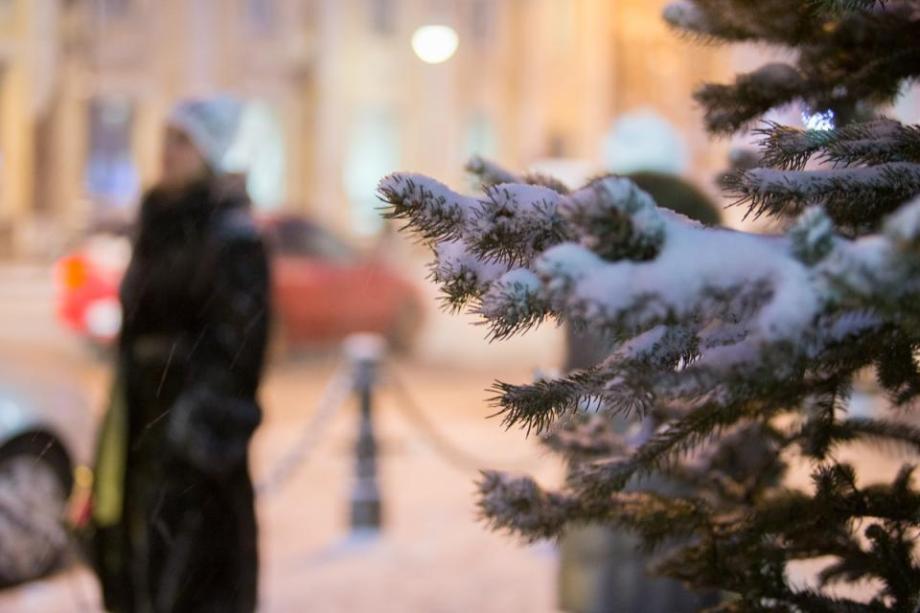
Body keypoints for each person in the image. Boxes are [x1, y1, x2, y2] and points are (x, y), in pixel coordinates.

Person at [90, 97, 270, 613]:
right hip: (139, 436)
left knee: (191, 583)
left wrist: (194, 440)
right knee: (135, 572)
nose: (167, 151)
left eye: (183, 141)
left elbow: (239, 355)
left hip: (194, 456)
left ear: (211, 153)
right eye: (166, 138)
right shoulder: (156, 224)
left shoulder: (231, 237)